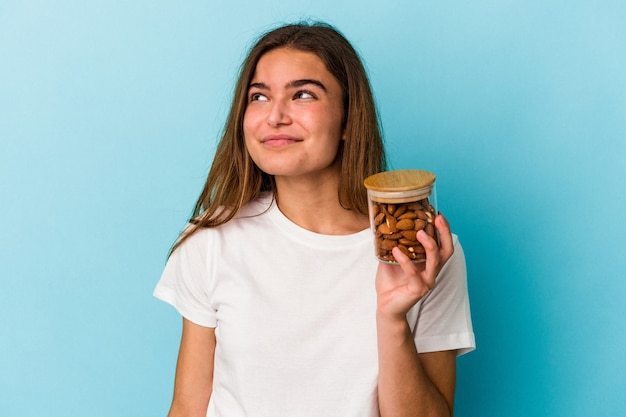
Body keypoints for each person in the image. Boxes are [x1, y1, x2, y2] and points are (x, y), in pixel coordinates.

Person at [154, 21, 475, 417]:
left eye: (303, 94)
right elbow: (188, 407)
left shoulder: (424, 252)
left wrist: (392, 319)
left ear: (347, 119)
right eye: (258, 97)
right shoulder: (212, 240)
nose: (274, 117)